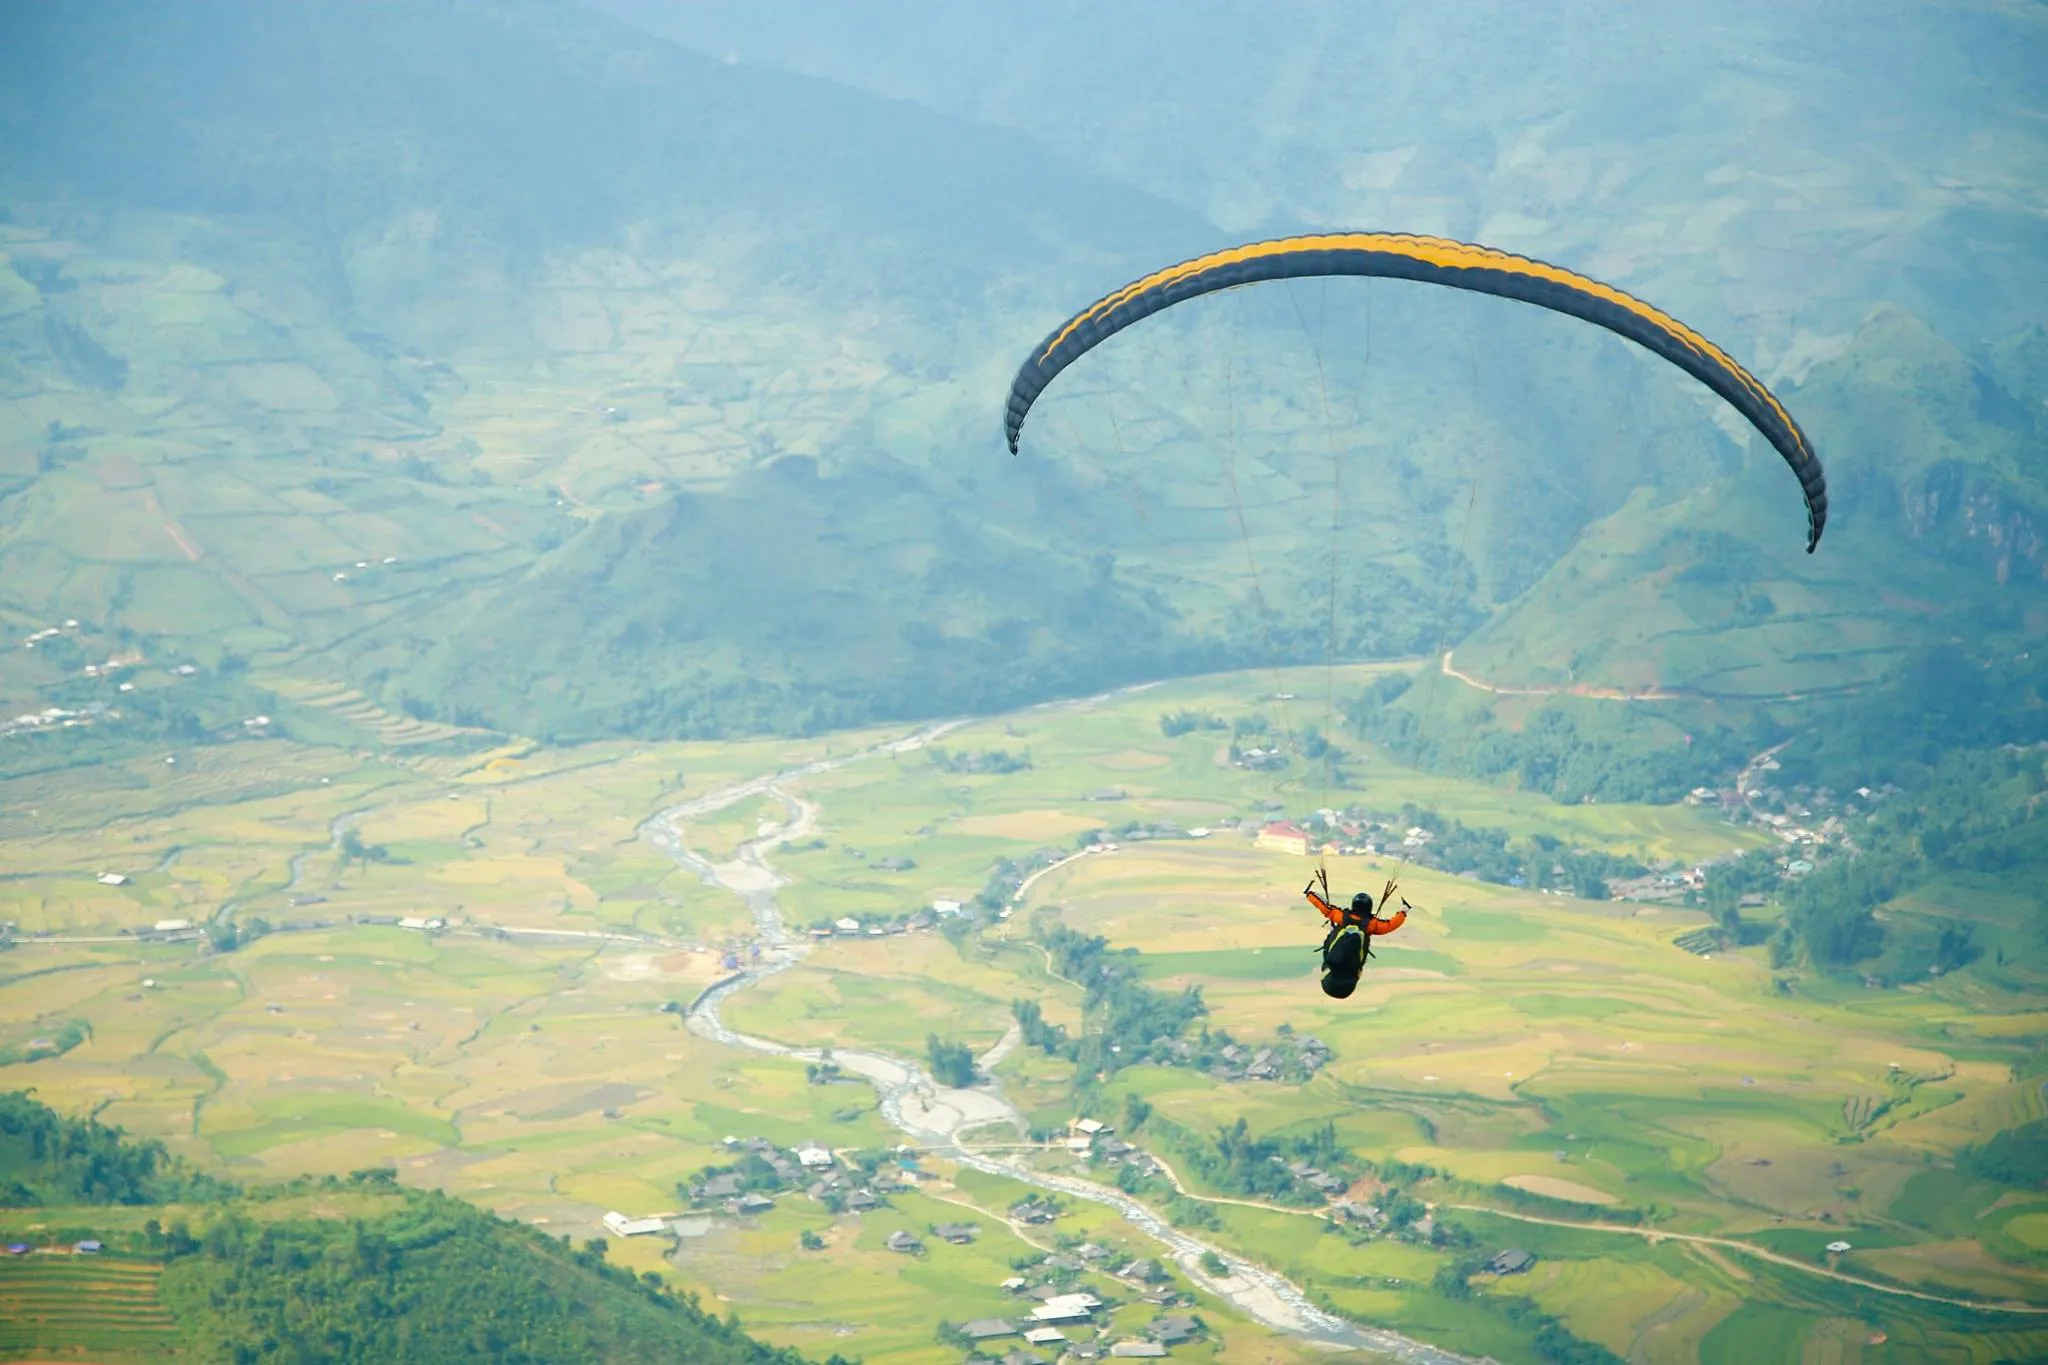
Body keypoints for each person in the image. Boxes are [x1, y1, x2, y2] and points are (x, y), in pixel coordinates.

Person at [1304, 868, 1408, 998]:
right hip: (1343, 976)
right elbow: (1390, 925)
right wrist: (1404, 911)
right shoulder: (1371, 925)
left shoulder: (1342, 917)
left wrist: (1309, 894)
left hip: (1343, 976)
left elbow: (1325, 909)